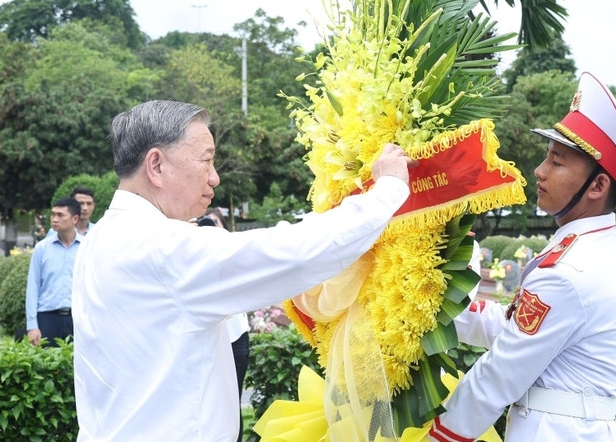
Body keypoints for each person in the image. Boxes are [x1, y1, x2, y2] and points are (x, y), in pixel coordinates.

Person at [71, 100, 416, 442]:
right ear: (157, 165)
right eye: (206, 160)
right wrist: (387, 189)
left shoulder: (101, 238)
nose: (215, 178)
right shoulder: (161, 248)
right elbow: (292, 255)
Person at [428, 72, 616, 442]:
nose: (539, 170)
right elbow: (521, 332)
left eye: (557, 162)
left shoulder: (570, 269)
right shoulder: (601, 249)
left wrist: (437, 437)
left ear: (598, 185)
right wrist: (437, 310)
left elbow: (499, 374)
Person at [197, 207, 251, 442]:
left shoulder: (233, 254)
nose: (208, 226)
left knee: (231, 402)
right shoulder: (189, 257)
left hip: (235, 335)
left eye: (214, 222)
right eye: (203, 222)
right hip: (206, 339)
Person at [25, 197, 83, 348]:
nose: (55, 219)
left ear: (75, 219)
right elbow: (33, 287)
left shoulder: (86, 247)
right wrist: (32, 325)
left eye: (60, 215)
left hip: (78, 318)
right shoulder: (42, 248)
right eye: (53, 214)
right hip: (47, 318)